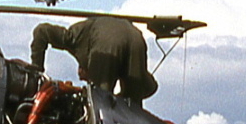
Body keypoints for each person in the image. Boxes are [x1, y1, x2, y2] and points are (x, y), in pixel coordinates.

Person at [29, 16, 157, 102]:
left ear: (83, 67)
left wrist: (36, 72)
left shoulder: (74, 36)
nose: (81, 78)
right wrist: (120, 99)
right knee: (133, 106)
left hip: (107, 41)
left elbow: (42, 31)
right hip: (137, 39)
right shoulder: (119, 65)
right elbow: (150, 87)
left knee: (99, 102)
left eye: (84, 77)